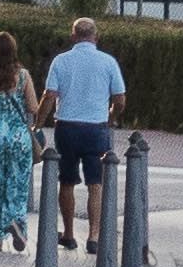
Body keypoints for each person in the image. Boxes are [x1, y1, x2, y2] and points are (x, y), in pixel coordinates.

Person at [45, 16, 128, 251]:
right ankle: (94, 236)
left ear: (73, 36)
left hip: (67, 127)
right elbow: (120, 99)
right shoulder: (108, 62)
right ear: (96, 37)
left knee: (67, 181)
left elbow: (49, 95)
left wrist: (39, 122)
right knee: (95, 183)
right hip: (96, 128)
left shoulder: (61, 61)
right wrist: (111, 117)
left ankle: (69, 234)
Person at [0, 30, 44, 253]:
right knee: (17, 183)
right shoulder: (22, 76)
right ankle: (17, 224)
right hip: (17, 136)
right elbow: (33, 107)